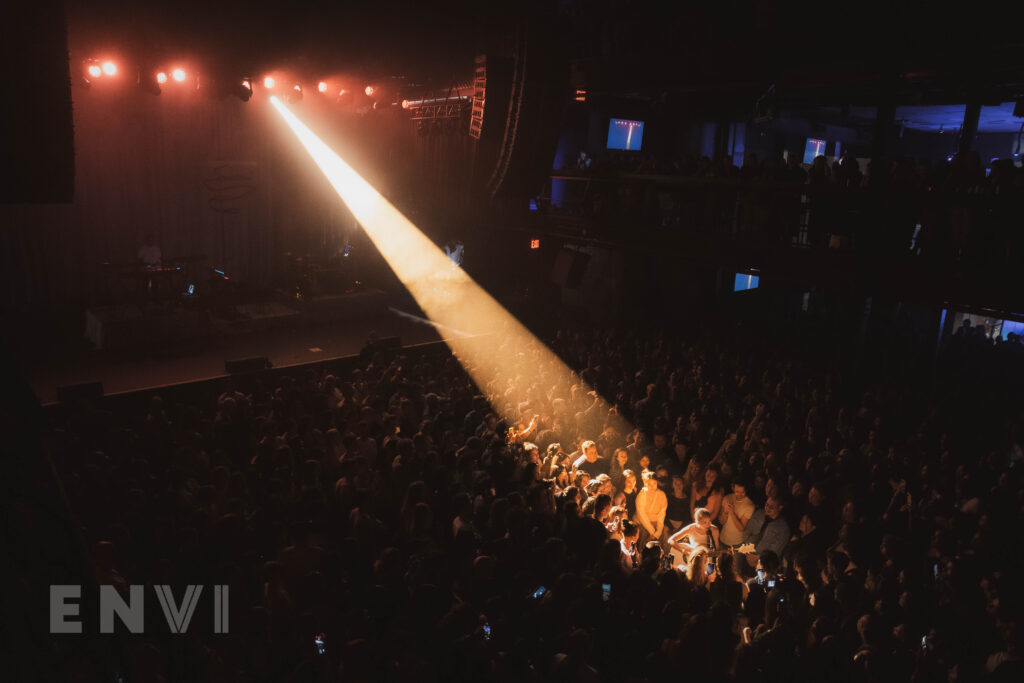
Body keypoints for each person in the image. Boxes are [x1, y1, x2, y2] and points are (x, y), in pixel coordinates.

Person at [744, 496, 790, 571]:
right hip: (747, 555)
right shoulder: (759, 514)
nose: (767, 508)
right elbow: (747, 531)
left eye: (771, 507)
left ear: (780, 508)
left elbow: (775, 551)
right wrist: (747, 551)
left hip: (765, 565)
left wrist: (757, 557)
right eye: (766, 505)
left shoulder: (783, 528)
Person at [634, 470, 667, 547]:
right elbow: (642, 515)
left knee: (664, 532)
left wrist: (658, 532)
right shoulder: (641, 495)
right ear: (645, 483)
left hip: (656, 522)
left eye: (654, 483)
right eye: (649, 484)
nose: (652, 486)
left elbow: (661, 514)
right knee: (644, 533)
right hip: (643, 523)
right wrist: (652, 531)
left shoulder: (662, 495)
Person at [719, 480, 755, 547]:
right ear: (733, 489)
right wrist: (725, 512)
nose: (739, 494)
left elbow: (741, 528)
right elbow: (721, 521)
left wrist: (732, 512)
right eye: (737, 491)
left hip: (736, 544)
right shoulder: (727, 498)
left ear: (746, 490)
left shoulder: (749, 505)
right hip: (722, 539)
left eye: (742, 492)